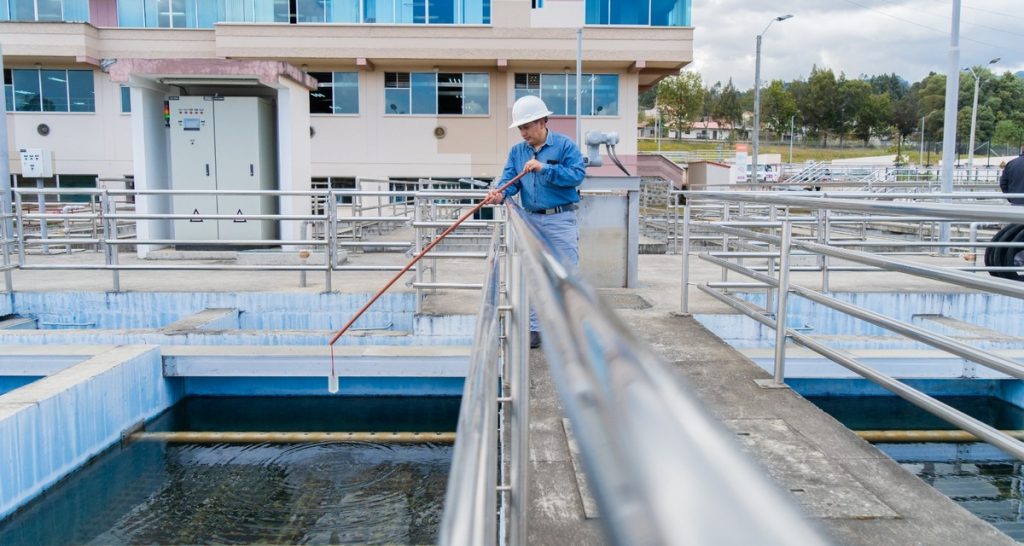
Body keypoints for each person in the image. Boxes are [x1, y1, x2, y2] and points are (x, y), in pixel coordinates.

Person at [484, 95, 586, 349]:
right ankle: (535, 329)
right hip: (530, 219)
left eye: (526, 127)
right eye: (520, 128)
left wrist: (545, 169)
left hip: (560, 218)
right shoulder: (517, 152)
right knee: (533, 275)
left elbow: (577, 176)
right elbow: (511, 179)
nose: (523, 133)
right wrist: (499, 194)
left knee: (566, 274)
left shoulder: (565, 146)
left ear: (542, 122)